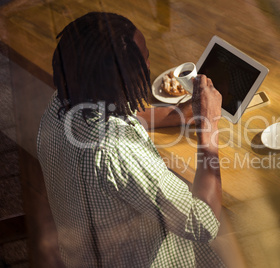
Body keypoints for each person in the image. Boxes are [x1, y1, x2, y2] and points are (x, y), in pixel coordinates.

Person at [37, 12, 224, 267]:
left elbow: (108, 107)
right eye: (143, 59)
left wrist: (177, 114)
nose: (148, 65)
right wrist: (209, 124)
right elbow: (202, 223)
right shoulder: (117, 152)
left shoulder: (60, 104)